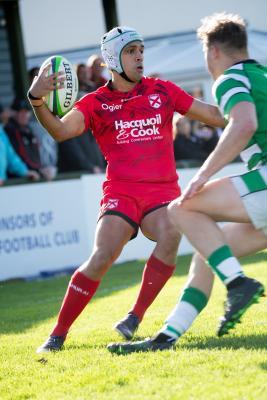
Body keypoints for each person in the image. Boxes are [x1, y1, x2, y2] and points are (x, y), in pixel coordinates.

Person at [27, 26, 225, 353]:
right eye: (132, 51)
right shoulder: (95, 103)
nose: (140, 56)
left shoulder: (162, 90)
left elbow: (213, 115)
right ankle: (57, 335)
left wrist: (250, 110)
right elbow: (60, 131)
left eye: (141, 50)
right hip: (121, 194)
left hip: (162, 193)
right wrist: (36, 99)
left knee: (171, 232)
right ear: (113, 58)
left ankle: (134, 316)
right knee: (102, 256)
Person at [107, 13, 266, 354]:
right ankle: (165, 338)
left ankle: (238, 283)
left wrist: (204, 174)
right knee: (210, 252)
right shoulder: (262, 75)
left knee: (181, 208)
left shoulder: (229, 78)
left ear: (213, 53)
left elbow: (244, 124)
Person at [0, 103, 39, 185]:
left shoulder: (1, 134)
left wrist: (25, 172)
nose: (6, 115)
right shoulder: (6, 131)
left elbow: (12, 158)